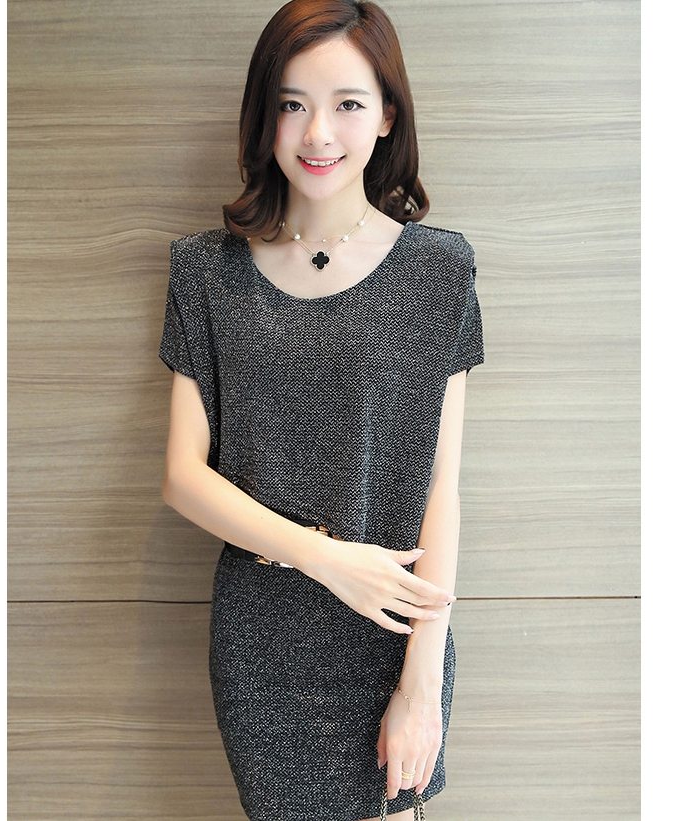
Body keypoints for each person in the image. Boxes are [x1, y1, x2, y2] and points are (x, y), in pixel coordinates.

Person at [159, 1, 483, 819]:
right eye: (292, 103)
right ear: (264, 114)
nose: (317, 134)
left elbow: (441, 487)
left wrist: (422, 682)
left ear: (387, 116)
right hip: (261, 643)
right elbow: (182, 477)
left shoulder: (439, 272)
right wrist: (325, 557)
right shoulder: (206, 273)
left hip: (393, 632)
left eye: (347, 104)